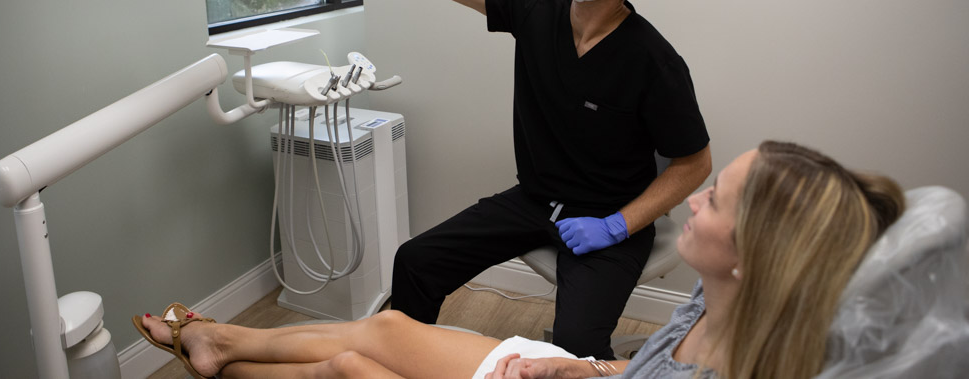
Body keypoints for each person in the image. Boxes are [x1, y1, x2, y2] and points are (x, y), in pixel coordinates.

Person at [272, 0, 713, 358]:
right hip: (535, 199)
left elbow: (694, 163)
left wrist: (617, 226)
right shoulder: (538, 9)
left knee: (575, 348)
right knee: (417, 261)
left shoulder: (654, 63)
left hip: (608, 218)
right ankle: (396, 361)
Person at [133, 141, 906, 379]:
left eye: (716, 200)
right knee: (385, 325)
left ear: (753, 255)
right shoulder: (710, 303)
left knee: (352, 366)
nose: (694, 200)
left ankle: (215, 346)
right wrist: (584, 368)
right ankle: (220, 341)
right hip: (555, 374)